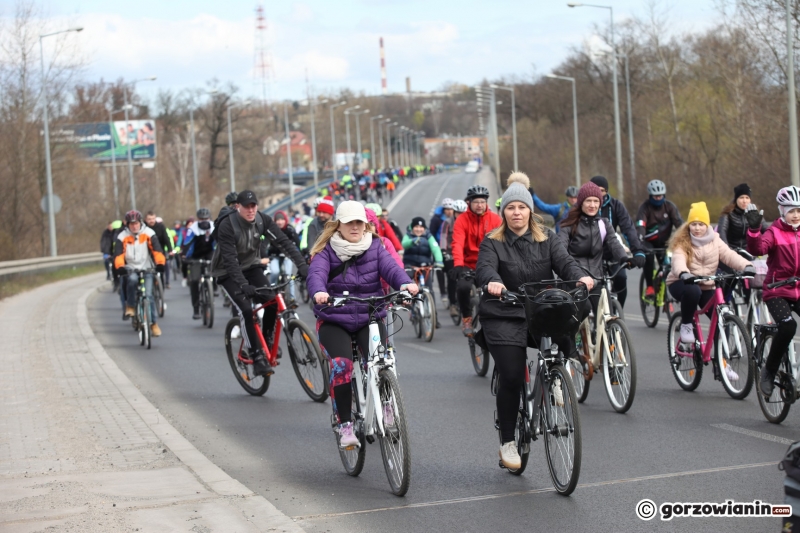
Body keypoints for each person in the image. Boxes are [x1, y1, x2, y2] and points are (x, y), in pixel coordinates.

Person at [476, 182, 592, 470]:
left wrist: (580, 277)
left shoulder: (548, 238)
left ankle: (555, 375)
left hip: (538, 309)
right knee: (512, 375)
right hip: (503, 312)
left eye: (522, 207)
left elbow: (565, 263)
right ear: (504, 213)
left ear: (530, 211)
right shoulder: (492, 241)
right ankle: (508, 441)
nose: (516, 212)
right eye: (511, 208)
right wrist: (494, 283)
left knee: (570, 314)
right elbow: (485, 268)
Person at [306, 201, 418, 448]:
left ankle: (387, 407)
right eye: (349, 223)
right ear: (339, 225)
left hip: (370, 317)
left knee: (381, 362)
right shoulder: (326, 250)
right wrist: (319, 292)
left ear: (366, 224)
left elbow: (391, 269)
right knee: (342, 365)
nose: (355, 227)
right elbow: (316, 275)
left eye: (359, 222)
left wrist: (405, 284)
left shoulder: (375, 246)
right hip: (335, 319)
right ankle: (345, 425)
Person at [211, 190, 309, 377]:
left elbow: (284, 242)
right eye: (246, 206)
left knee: (272, 301)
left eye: (253, 206)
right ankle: (256, 355)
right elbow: (230, 261)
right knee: (246, 309)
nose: (250, 210)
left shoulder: (262, 220)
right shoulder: (227, 225)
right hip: (226, 272)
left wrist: (302, 264)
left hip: (251, 266)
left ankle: (266, 341)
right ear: (237, 206)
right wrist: (242, 284)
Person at [667, 202, 753, 358]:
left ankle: (721, 363)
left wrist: (746, 265)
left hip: (706, 284)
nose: (697, 228)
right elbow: (678, 259)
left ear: (707, 225)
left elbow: (729, 255)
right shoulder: (683, 241)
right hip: (681, 281)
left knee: (722, 319)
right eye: (694, 224)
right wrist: (684, 273)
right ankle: (686, 325)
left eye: (701, 224)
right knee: (693, 291)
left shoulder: (716, 240)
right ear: (689, 225)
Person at [746, 186, 800, 397]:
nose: (796, 215)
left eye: (799, 210)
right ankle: (768, 371)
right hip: (777, 291)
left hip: (798, 288)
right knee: (788, 326)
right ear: (782, 211)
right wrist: (753, 231)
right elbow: (758, 249)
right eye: (791, 211)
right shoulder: (774, 232)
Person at [559, 181, 640, 314]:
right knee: (582, 312)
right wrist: (573, 273)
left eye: (596, 201)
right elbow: (560, 250)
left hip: (596, 279)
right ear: (581, 202)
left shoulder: (604, 224)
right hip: (575, 280)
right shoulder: (569, 224)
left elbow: (614, 243)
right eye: (588, 201)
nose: (592, 205)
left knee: (607, 315)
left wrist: (625, 259)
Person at [450, 184, 502, 335]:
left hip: (489, 263)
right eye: (476, 202)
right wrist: (458, 264)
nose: (479, 205)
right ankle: (466, 319)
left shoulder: (495, 219)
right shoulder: (462, 220)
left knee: (500, 288)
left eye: (482, 202)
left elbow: (502, 242)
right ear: (469, 203)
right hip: (469, 263)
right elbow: (457, 243)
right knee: (463, 288)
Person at [588, 176, 645, 307]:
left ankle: (618, 312)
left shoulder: (616, 206)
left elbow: (628, 229)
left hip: (613, 251)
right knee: (593, 288)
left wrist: (638, 251)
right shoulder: (584, 206)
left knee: (621, 279)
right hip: (591, 254)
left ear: (607, 191)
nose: (599, 194)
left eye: (602, 191)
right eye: (595, 190)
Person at [113, 210, 166, 337]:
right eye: (131, 224)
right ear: (127, 224)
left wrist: (160, 264)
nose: (134, 226)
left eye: (136, 223)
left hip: (146, 267)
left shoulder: (149, 233)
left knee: (149, 296)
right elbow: (119, 254)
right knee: (131, 280)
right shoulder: (122, 236)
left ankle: (153, 324)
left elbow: (157, 250)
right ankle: (130, 306)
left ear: (140, 222)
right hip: (130, 268)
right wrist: (120, 267)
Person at [636, 179, 684, 298]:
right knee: (649, 256)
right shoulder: (644, 208)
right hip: (648, 242)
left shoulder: (669, 207)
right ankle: (650, 287)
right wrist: (639, 240)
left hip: (665, 242)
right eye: (655, 196)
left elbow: (679, 224)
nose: (658, 198)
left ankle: (668, 295)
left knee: (671, 264)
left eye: (660, 196)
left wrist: (685, 237)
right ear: (650, 196)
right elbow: (640, 226)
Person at [402, 217, 445, 328]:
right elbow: (404, 244)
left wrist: (439, 261)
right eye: (416, 227)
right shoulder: (408, 235)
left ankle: (434, 317)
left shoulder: (428, 236)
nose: (419, 229)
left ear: (424, 228)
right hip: (410, 266)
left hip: (425, 266)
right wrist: (412, 242)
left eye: (421, 227)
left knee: (429, 291)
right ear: (412, 227)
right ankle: (410, 304)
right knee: (408, 285)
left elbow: (435, 249)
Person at [182, 208, 216, 319]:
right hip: (195, 255)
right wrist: (185, 255)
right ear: (198, 219)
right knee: (195, 281)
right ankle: (196, 309)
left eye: (206, 218)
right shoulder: (193, 228)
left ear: (209, 218)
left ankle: (213, 288)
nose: (204, 220)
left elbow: (220, 241)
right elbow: (187, 243)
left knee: (217, 269)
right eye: (201, 219)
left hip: (209, 253)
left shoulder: (214, 226)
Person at [718, 183, 770, 249]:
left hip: (750, 251)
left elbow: (768, 232)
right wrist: (728, 250)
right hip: (731, 250)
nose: (744, 201)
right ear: (736, 199)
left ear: (750, 200)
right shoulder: (727, 213)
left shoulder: (755, 214)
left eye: (747, 198)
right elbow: (722, 232)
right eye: (741, 197)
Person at [266, 210, 300, 301]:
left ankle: (292, 299)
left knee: (289, 275)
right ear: (275, 221)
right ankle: (270, 293)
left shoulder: (290, 229)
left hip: (287, 256)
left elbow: (297, 242)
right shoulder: (271, 230)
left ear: (285, 220)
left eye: (282, 219)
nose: (280, 222)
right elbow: (265, 244)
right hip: (274, 256)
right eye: (278, 220)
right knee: (275, 272)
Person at [441, 199, 467, 317]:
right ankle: (452, 304)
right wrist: (444, 251)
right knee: (452, 278)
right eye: (458, 213)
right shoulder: (447, 222)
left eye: (463, 213)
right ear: (454, 212)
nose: (460, 215)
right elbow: (443, 237)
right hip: (451, 252)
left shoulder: (468, 222)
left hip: (464, 253)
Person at [430, 198, 455, 301]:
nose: (449, 212)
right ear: (444, 210)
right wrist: (434, 246)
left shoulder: (454, 219)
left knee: (450, 272)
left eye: (451, 209)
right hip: (438, 247)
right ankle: (443, 292)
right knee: (440, 270)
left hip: (450, 248)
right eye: (447, 209)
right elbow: (431, 233)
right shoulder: (436, 219)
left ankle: (451, 293)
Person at [145, 211, 174, 289]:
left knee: (161, 268)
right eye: (149, 219)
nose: (151, 221)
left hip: (160, 251)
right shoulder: (143, 228)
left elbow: (166, 239)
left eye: (153, 219)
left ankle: (162, 286)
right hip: (147, 253)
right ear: (146, 220)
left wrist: (170, 250)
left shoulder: (161, 227)